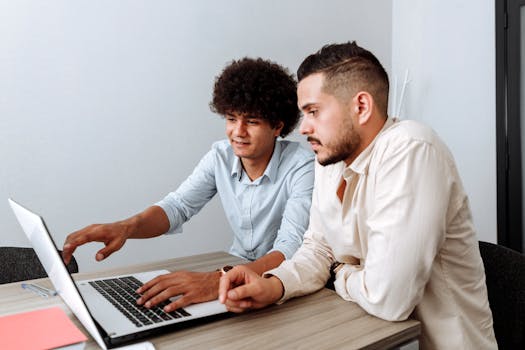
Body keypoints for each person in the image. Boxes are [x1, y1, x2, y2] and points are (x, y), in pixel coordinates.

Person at [218, 42, 497, 349]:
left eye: (313, 112)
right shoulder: (329, 159)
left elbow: (389, 300)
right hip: (367, 335)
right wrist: (275, 285)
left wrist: (340, 272)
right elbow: (318, 249)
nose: (303, 128)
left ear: (361, 107)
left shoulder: (412, 148)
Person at [62, 57, 314, 313]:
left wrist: (217, 279)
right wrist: (126, 227)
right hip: (234, 269)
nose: (238, 132)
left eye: (251, 122)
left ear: (277, 126)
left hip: (281, 283)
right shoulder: (220, 156)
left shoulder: (303, 166)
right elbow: (178, 206)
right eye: (231, 119)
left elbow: (289, 248)